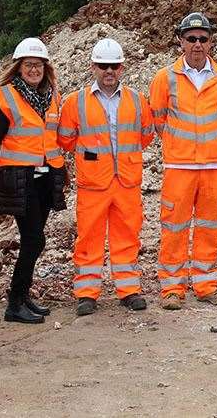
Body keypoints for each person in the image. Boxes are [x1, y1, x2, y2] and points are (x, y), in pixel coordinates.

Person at [58, 38, 155, 316]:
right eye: (103, 66)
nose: (108, 71)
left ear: (122, 68)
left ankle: (129, 290)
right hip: (93, 183)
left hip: (126, 180)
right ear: (93, 67)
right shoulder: (76, 102)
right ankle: (87, 293)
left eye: (113, 66)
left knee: (127, 235)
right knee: (89, 237)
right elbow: (66, 139)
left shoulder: (136, 100)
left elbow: (146, 135)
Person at [151, 12, 217, 310]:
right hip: (179, 166)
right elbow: (158, 118)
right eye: (191, 39)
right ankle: (172, 288)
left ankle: (206, 285)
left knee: (210, 226)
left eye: (203, 39)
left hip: (213, 166)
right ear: (180, 41)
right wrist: (179, 145)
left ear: (211, 41)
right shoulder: (165, 77)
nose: (197, 44)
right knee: (174, 227)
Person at [0, 37, 67, 324]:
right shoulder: (3, 96)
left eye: (39, 65)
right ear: (19, 68)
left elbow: (54, 137)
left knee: (34, 240)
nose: (34, 70)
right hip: (20, 178)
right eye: (29, 65)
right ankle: (14, 304)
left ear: (46, 68)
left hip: (46, 179)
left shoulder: (53, 96)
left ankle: (22, 298)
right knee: (34, 240)